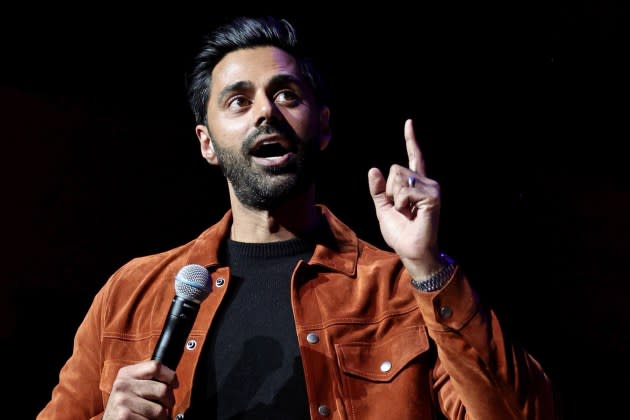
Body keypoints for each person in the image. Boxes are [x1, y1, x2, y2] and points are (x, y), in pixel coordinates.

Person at [37, 15, 556, 420]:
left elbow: (520, 415)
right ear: (207, 143)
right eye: (238, 101)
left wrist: (426, 266)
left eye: (286, 94)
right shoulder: (130, 294)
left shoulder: (399, 291)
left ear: (323, 126)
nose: (266, 111)